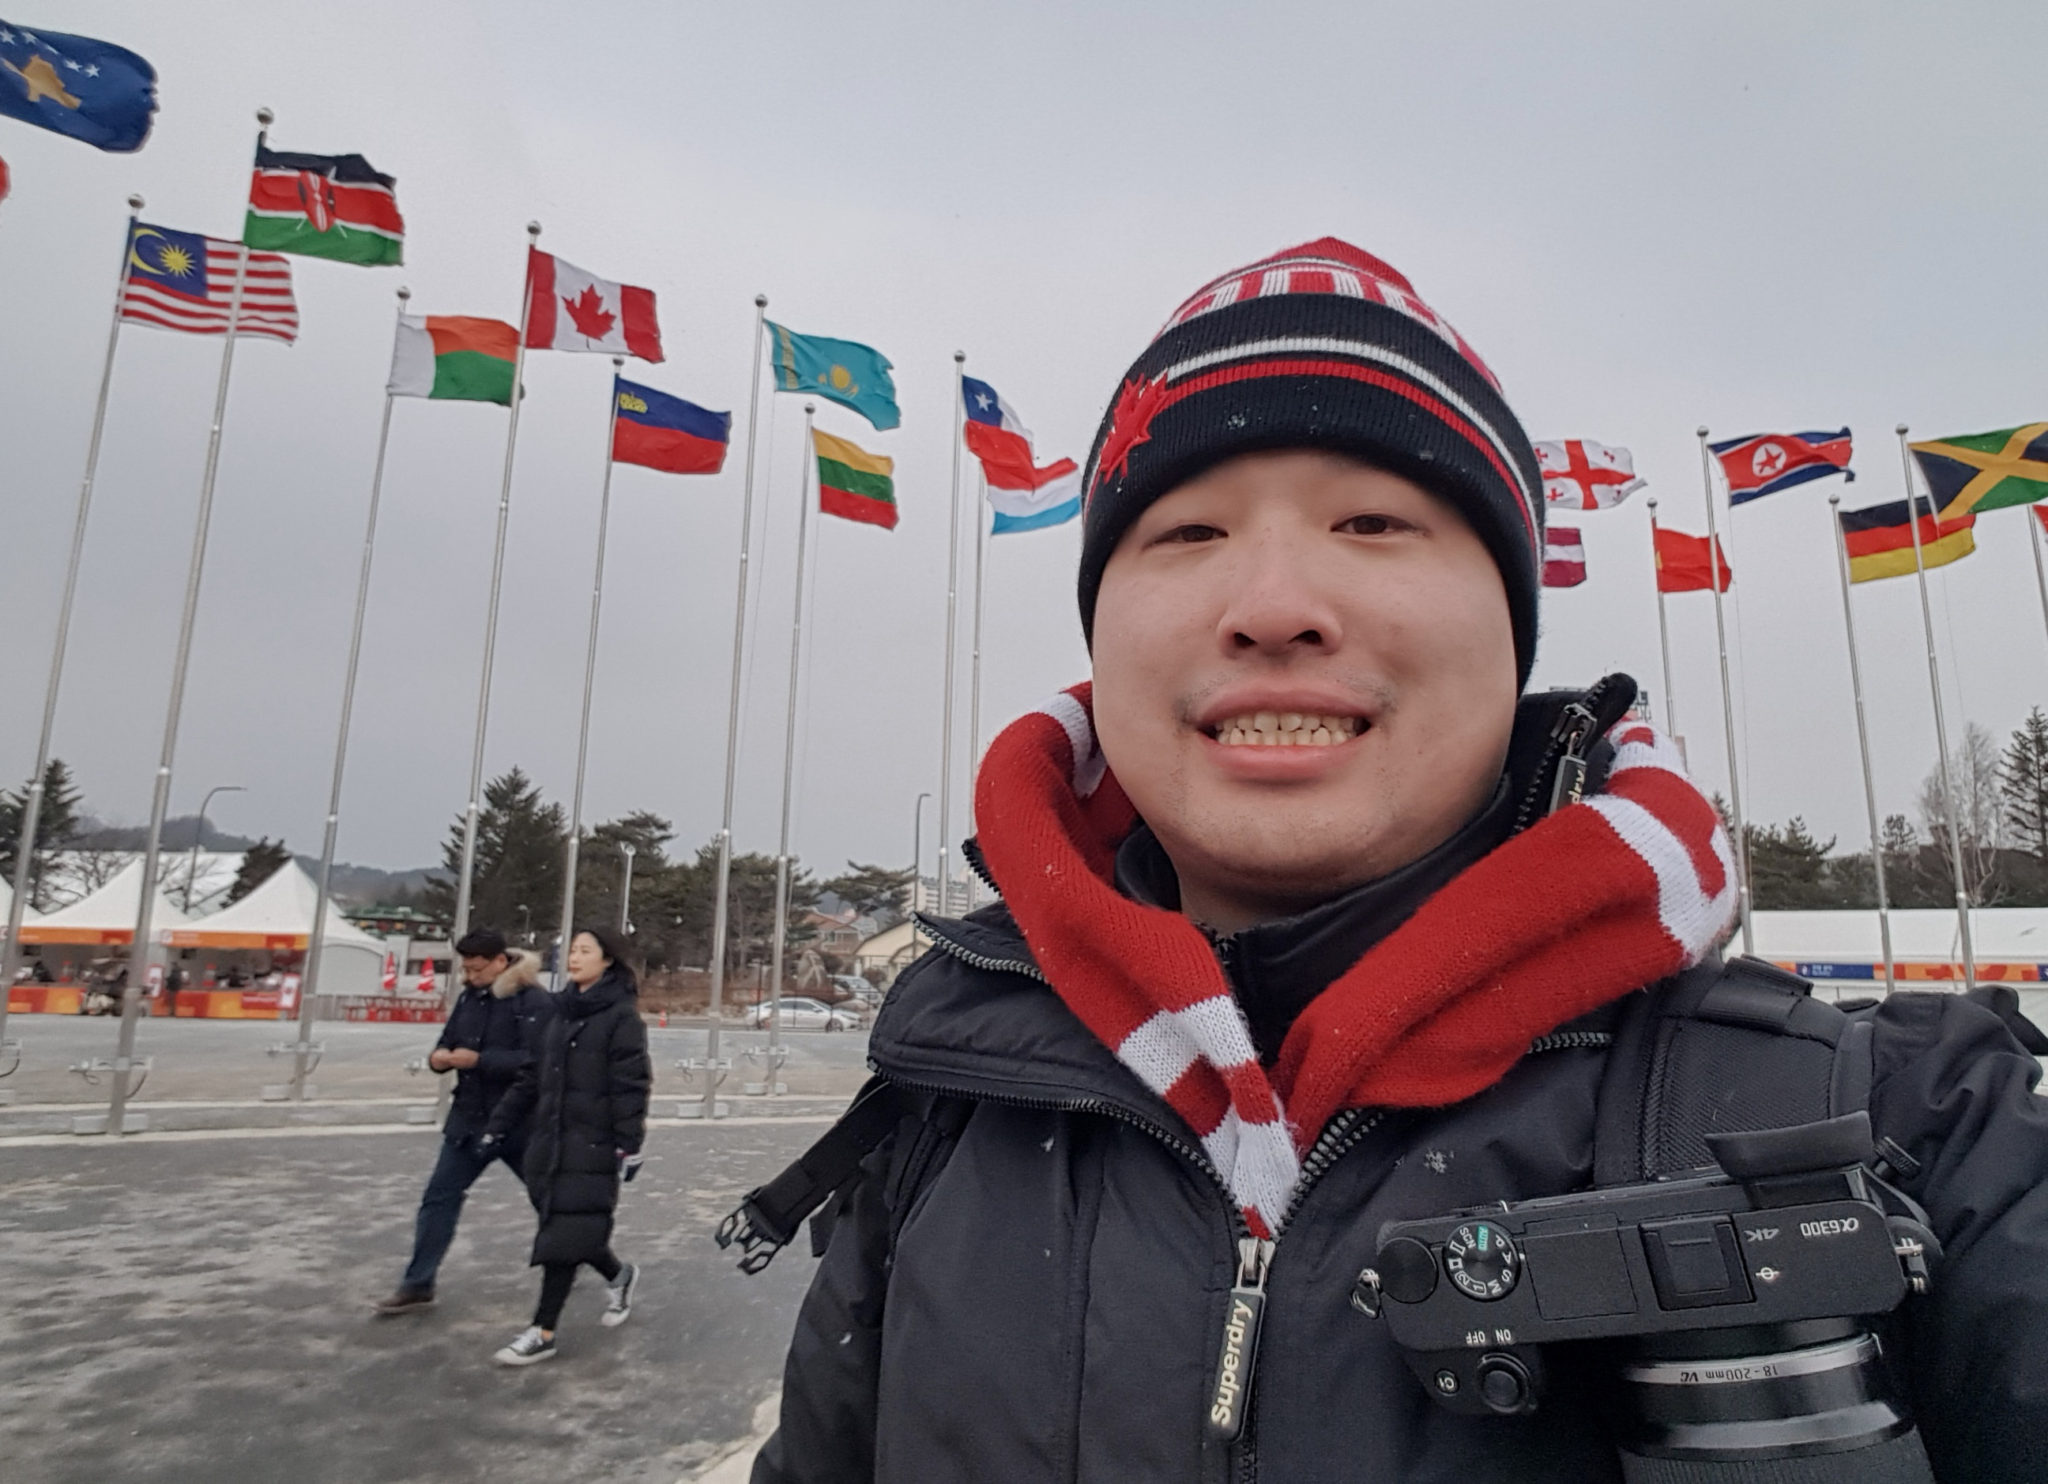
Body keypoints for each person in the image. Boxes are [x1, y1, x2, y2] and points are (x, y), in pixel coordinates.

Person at [748, 240, 2048, 1480]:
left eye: (1371, 522)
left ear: (1512, 629)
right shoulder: (946, 1102)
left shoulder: (1899, 1124)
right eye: (1186, 533)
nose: (1271, 607)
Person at [482, 924, 650, 1366]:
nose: (573, 958)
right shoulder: (558, 1013)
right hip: (549, 1142)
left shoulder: (621, 1018)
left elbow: (631, 1086)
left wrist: (629, 1145)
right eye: (571, 950)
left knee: (563, 1235)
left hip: (593, 1145)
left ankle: (543, 1331)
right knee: (573, 1228)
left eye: (584, 950)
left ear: (607, 960)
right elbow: (530, 1077)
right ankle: (619, 1274)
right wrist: (498, 1124)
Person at [372, 927, 551, 1315]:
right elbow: (449, 1038)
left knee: (550, 1198)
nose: (470, 977)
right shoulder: (469, 997)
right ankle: (418, 1283)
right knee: (439, 1198)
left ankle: (583, 1254)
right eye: (466, 970)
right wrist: (438, 1058)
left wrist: (481, 1061)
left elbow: (539, 1062)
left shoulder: (533, 1000)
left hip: (519, 1122)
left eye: (477, 970)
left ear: (501, 962)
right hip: (467, 1120)